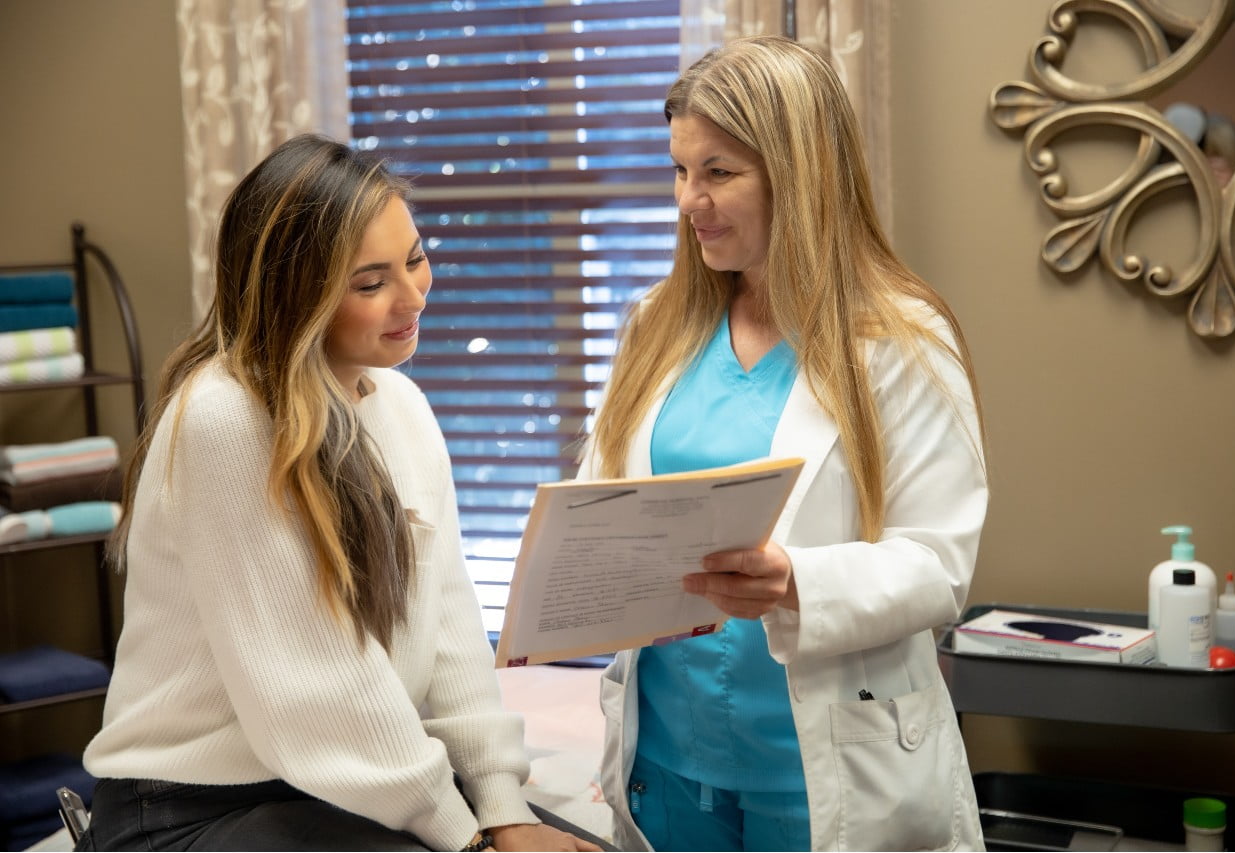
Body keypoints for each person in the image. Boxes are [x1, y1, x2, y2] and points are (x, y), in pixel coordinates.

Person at [77, 134, 604, 852]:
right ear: (295, 293)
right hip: (189, 809)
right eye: (370, 282)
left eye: (415, 259)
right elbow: (315, 693)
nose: (413, 294)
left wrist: (503, 803)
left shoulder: (404, 407)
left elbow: (450, 629)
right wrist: (467, 837)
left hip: (336, 783)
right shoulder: (225, 417)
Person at [577, 36, 989, 852]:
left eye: (719, 172)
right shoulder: (656, 326)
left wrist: (795, 579)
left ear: (800, 174)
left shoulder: (902, 338)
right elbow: (600, 503)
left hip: (827, 771)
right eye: (679, 170)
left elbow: (938, 563)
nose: (689, 199)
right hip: (666, 758)